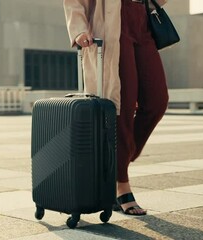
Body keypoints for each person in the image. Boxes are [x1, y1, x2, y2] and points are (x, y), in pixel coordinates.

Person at [63, 0, 169, 215]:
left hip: (142, 20)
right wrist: (79, 29)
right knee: (122, 107)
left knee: (157, 101)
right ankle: (122, 185)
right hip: (112, 24)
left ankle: (112, 164)